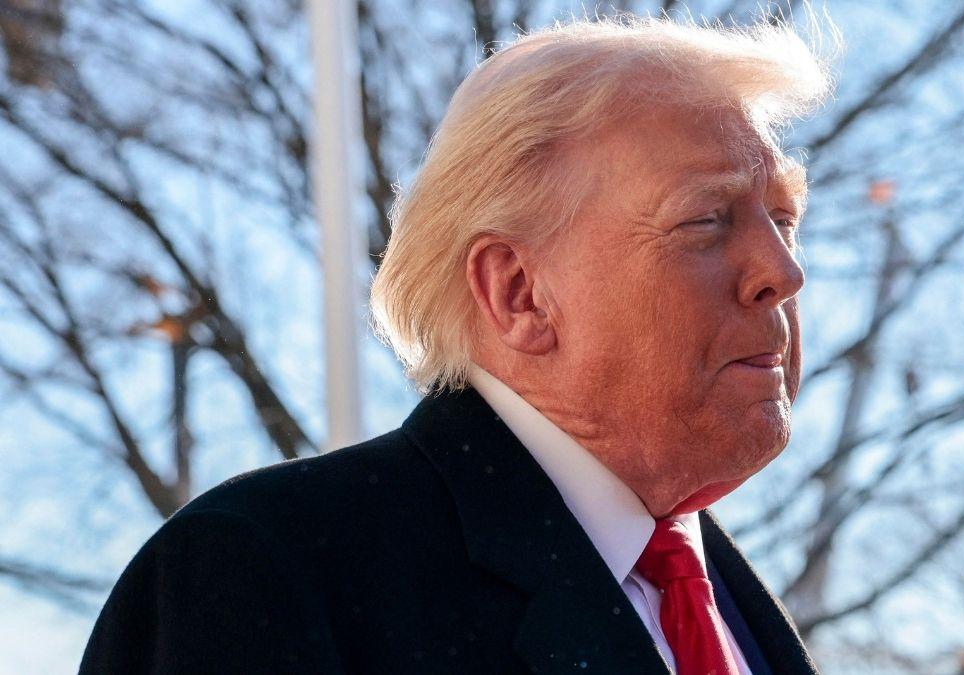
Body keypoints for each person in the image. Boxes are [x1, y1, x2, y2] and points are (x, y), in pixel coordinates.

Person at [81, 13, 831, 674]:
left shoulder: (730, 607)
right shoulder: (261, 572)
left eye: (783, 218)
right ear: (519, 293)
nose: (782, 271)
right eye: (706, 219)